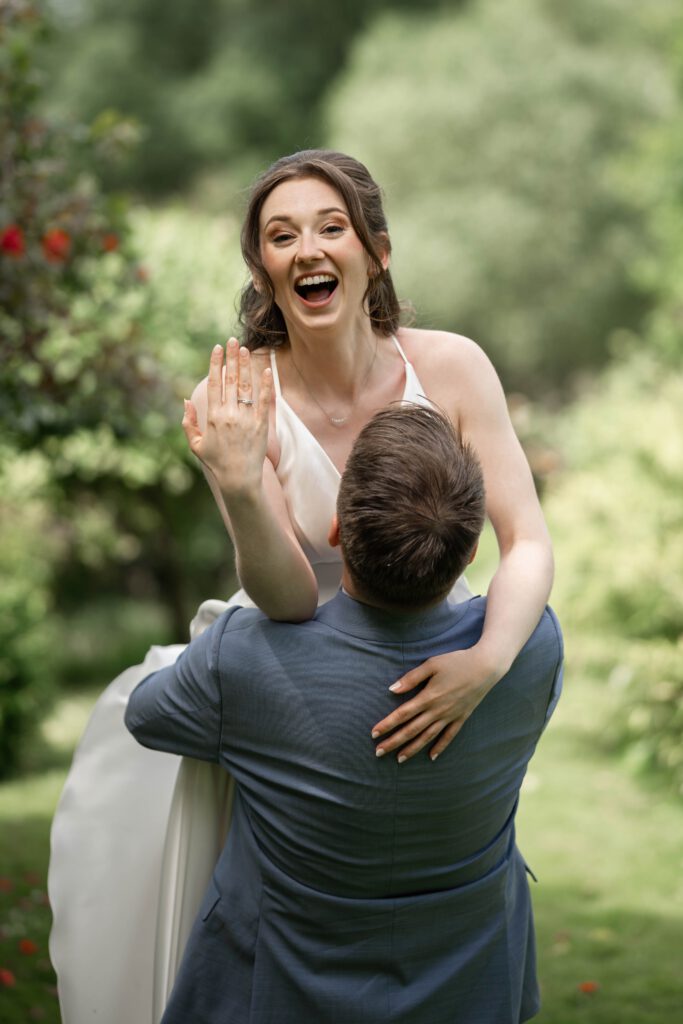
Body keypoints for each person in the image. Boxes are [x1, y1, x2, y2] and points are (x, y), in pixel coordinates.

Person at [49, 150, 554, 1023]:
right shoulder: (239, 394)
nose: (307, 248)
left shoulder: (454, 367)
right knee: (275, 891)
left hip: (434, 644)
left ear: (376, 253)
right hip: (285, 667)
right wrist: (242, 484)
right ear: (263, 269)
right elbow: (286, 599)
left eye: (331, 228)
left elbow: (528, 544)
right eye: (281, 236)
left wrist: (486, 661)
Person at [125, 403, 564, 1023]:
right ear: (469, 554)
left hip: (278, 993)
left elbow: (145, 715)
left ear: (335, 531)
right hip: (471, 990)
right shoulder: (530, 651)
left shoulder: (248, 661)